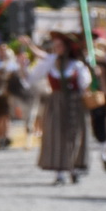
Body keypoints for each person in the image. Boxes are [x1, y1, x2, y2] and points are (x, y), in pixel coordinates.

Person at [32, 34, 89, 185]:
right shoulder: (50, 62)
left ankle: (73, 168)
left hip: (74, 103)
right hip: (56, 103)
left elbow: (84, 84)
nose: (57, 49)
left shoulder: (77, 64)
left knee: (73, 135)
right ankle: (60, 173)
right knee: (56, 136)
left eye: (59, 46)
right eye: (55, 46)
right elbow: (34, 76)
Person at [0, 43, 27, 150]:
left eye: (4, 49)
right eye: (0, 50)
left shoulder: (11, 64)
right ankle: (1, 136)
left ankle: (4, 136)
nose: (2, 52)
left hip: (7, 93)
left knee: (5, 116)